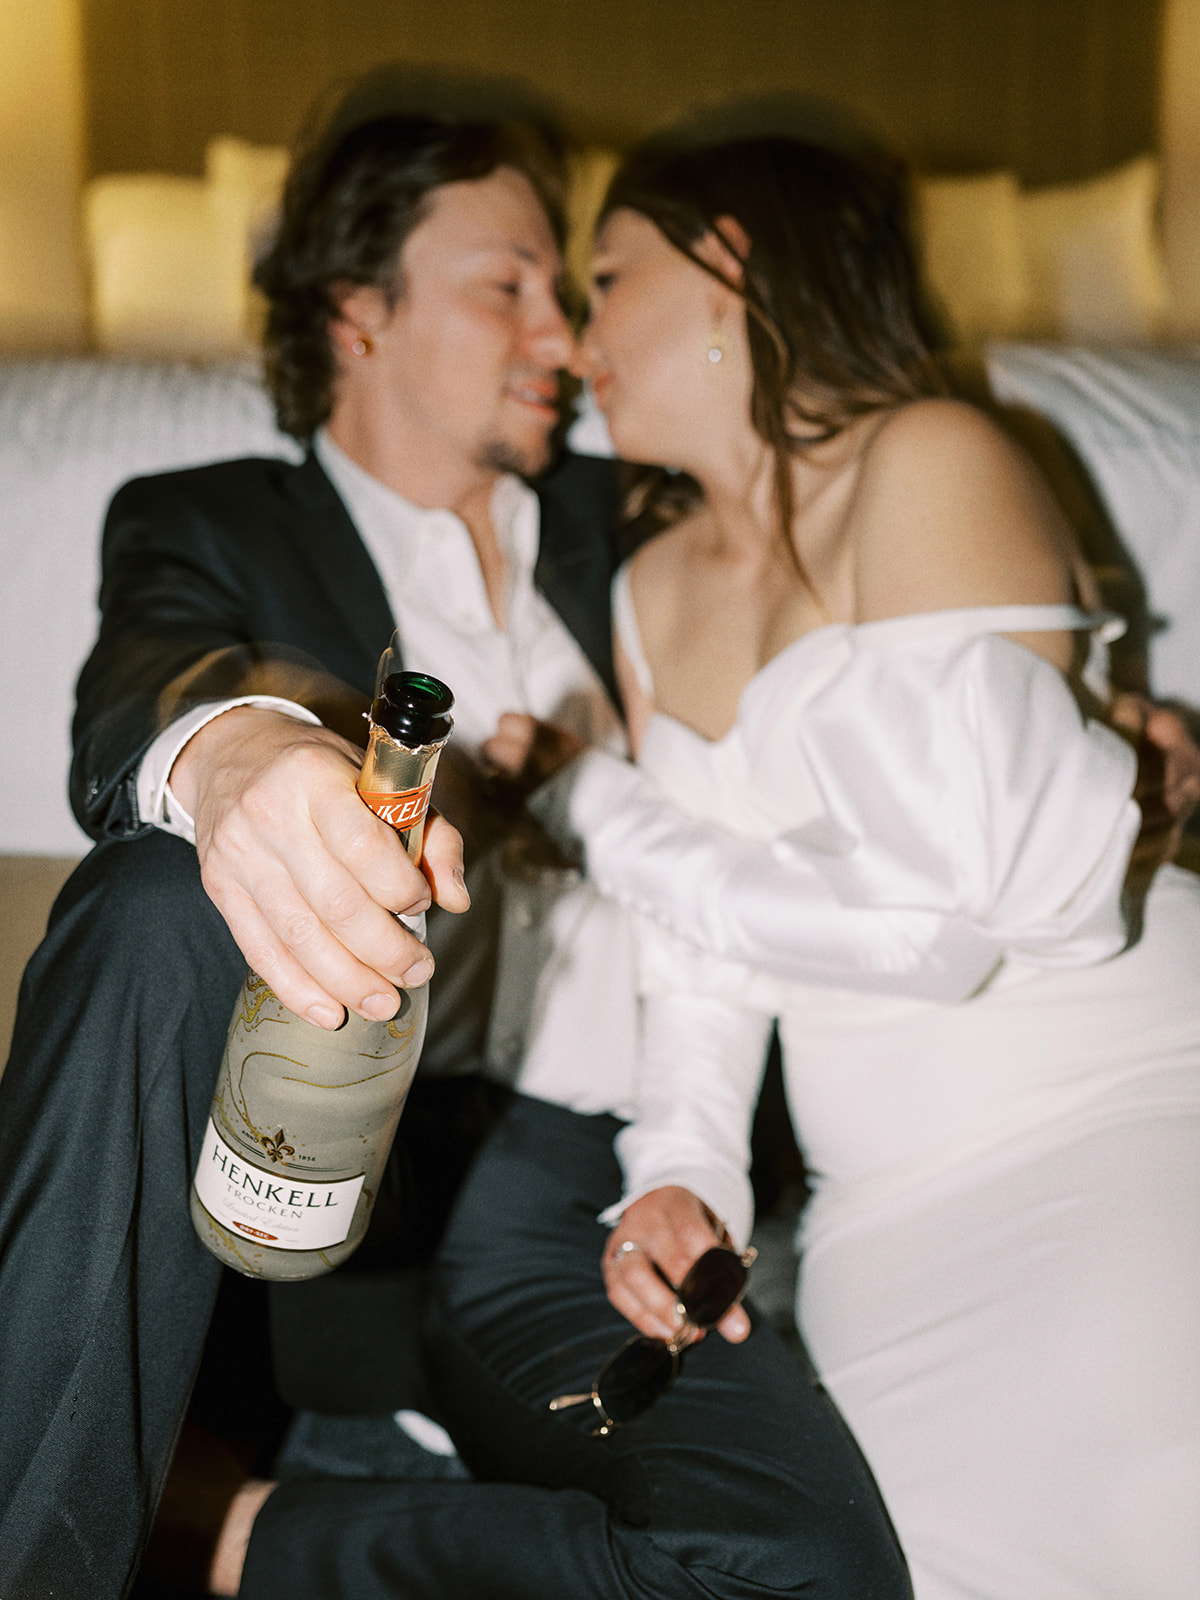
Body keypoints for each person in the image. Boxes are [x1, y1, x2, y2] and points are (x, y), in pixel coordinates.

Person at [0, 78, 913, 1600]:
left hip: (586, 1178)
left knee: (794, 1565)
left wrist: (1078, 707)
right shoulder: (211, 518)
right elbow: (146, 702)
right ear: (357, 311)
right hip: (299, 1140)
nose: (565, 337)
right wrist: (243, 765)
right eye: (511, 286)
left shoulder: (645, 516)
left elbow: (860, 565)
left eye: (568, 289)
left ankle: (220, 1534)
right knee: (160, 894)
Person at [489, 125, 1200, 1600]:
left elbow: (943, 918)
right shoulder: (641, 585)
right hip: (881, 1205)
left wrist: (599, 812)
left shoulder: (930, 458)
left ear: (730, 265)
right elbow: (698, 953)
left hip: (1110, 1110)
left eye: (606, 277)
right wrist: (682, 1168)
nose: (572, 335)